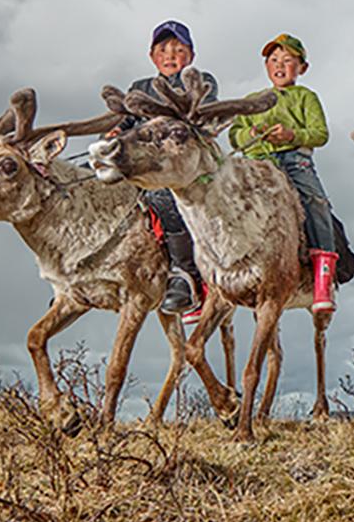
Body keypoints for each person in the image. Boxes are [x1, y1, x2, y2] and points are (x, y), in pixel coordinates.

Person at [228, 32, 341, 315]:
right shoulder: (252, 100)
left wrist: (292, 134)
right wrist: (251, 133)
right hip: (256, 164)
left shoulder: (306, 97)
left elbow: (320, 134)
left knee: (316, 202)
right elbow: (234, 135)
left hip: (294, 160)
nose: (280, 65)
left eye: (288, 60)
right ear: (266, 65)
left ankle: (322, 279)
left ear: (302, 68)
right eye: (274, 59)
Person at [114, 19, 216, 321]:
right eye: (163, 49)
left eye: (178, 49)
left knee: (162, 197)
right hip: (140, 161)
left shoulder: (200, 81)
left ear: (191, 56)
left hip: (181, 164)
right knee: (91, 182)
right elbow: (127, 121)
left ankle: (184, 273)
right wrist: (114, 134)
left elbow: (202, 120)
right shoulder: (139, 88)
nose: (170, 55)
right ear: (152, 56)